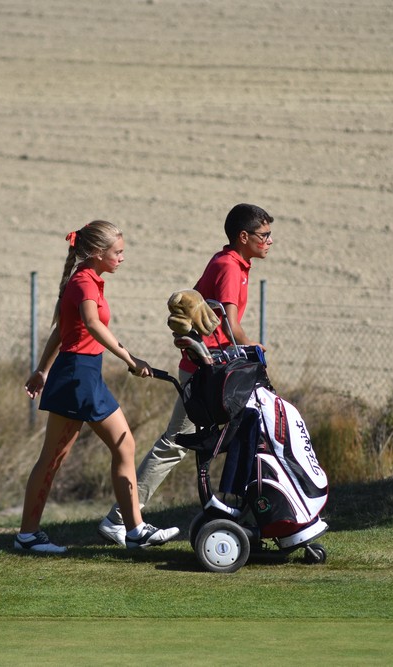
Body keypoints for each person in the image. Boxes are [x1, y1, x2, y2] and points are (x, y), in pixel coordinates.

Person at [98, 203, 274, 545]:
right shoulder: (227, 266)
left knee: (226, 437)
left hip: (218, 369)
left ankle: (235, 509)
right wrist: (255, 347)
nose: (269, 241)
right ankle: (119, 518)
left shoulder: (237, 264)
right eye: (263, 235)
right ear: (243, 236)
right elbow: (230, 323)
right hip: (205, 371)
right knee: (175, 443)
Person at [17, 220, 181, 554]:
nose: (122, 258)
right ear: (96, 252)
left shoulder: (90, 280)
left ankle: (134, 530)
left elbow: (63, 329)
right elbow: (90, 324)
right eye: (117, 252)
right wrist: (130, 358)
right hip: (77, 376)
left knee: (124, 446)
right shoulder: (84, 282)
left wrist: (41, 371)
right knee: (53, 459)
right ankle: (28, 536)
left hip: (83, 374)